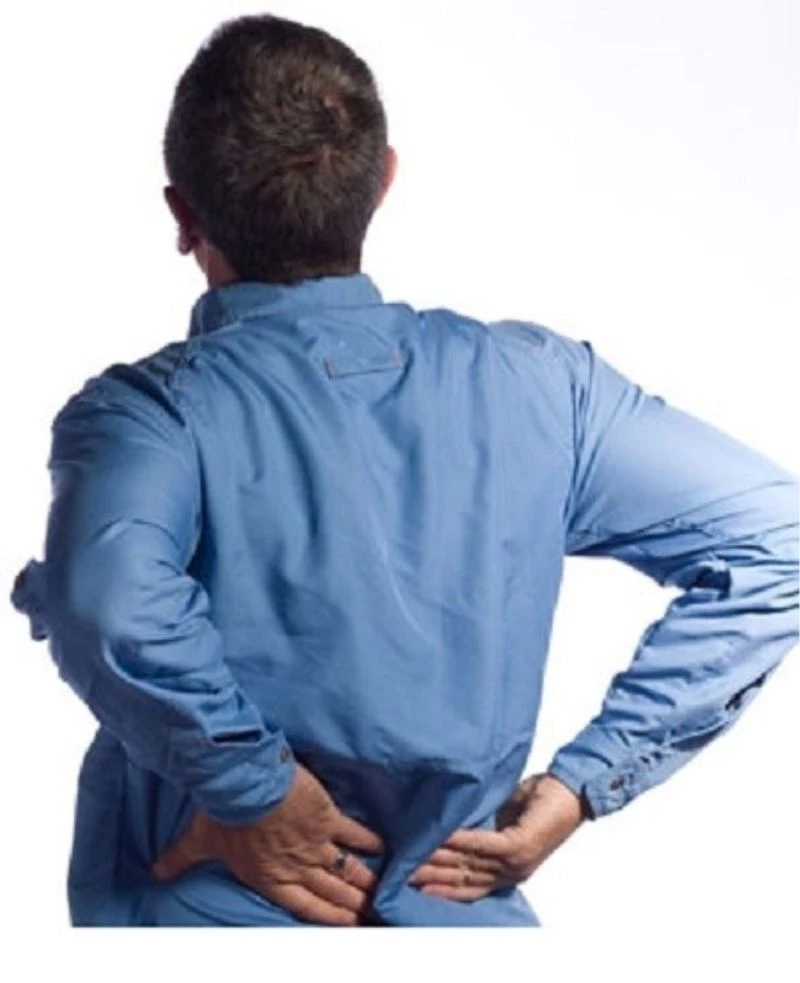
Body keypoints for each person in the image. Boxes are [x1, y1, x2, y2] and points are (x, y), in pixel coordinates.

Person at [9, 13, 798, 928]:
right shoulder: (542, 388)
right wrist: (585, 781)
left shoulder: (147, 415)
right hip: (460, 920)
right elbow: (777, 540)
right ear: (383, 181)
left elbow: (108, 602)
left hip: (212, 912)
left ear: (182, 216)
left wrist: (256, 793)